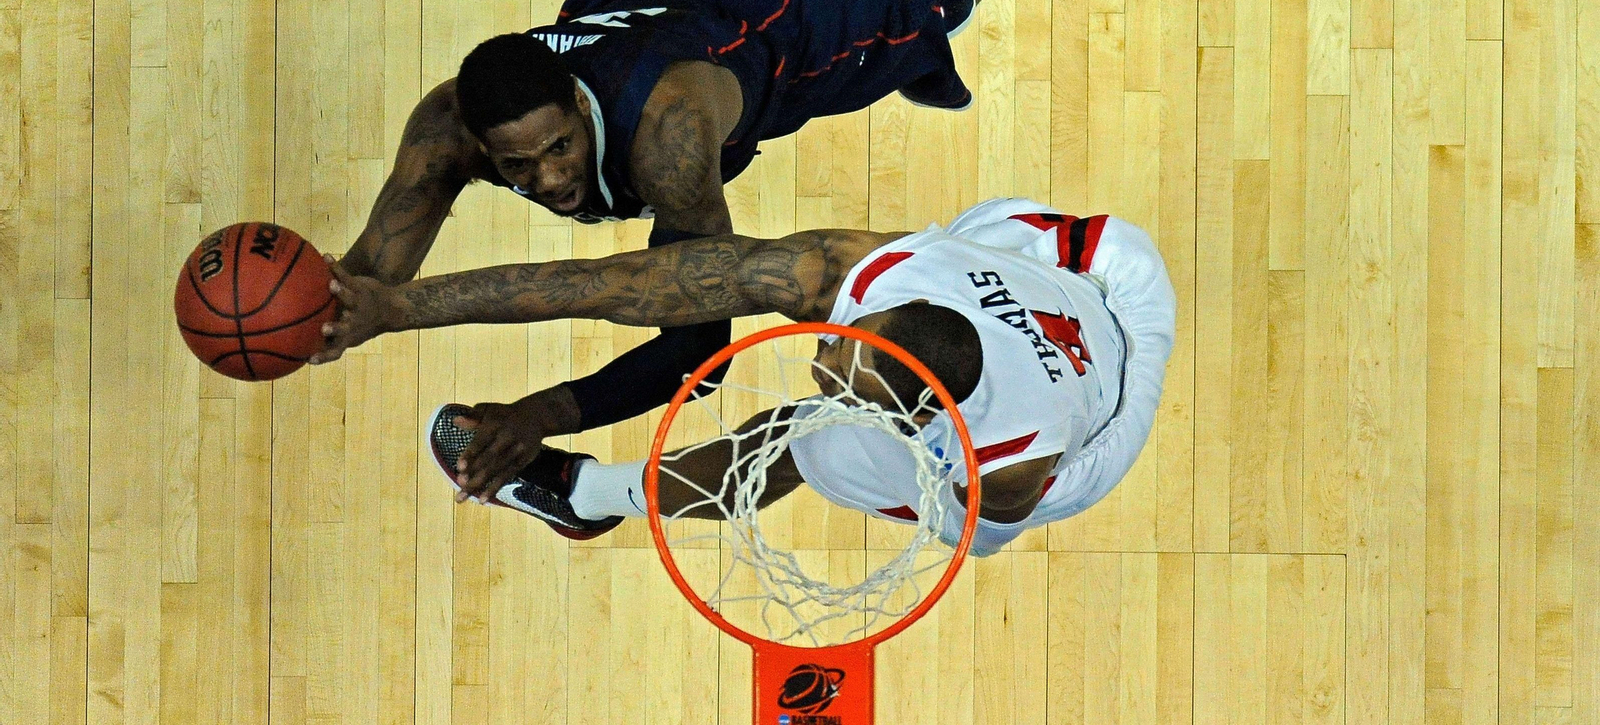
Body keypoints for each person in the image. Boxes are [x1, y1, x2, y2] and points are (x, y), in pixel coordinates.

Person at [318, 0, 1190, 474]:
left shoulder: (671, 139)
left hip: (769, 34)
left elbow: (695, 337)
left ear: (582, 114)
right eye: (520, 166)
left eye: (559, 149)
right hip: (636, 1)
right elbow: (359, 287)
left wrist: (545, 417)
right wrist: (306, 318)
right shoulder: (446, 128)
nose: (549, 180)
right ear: (477, 145)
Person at [319, 198, 1176, 554]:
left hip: (1077, 438)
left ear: (924, 416)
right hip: (1107, 277)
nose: (817, 354)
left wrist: (848, 417)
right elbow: (626, 286)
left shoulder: (1012, 466)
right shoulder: (871, 272)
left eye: (841, 371)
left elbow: (978, 526)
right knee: (1057, 233)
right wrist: (401, 304)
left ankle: (590, 498)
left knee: (805, 439)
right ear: (874, 309)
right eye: (844, 341)